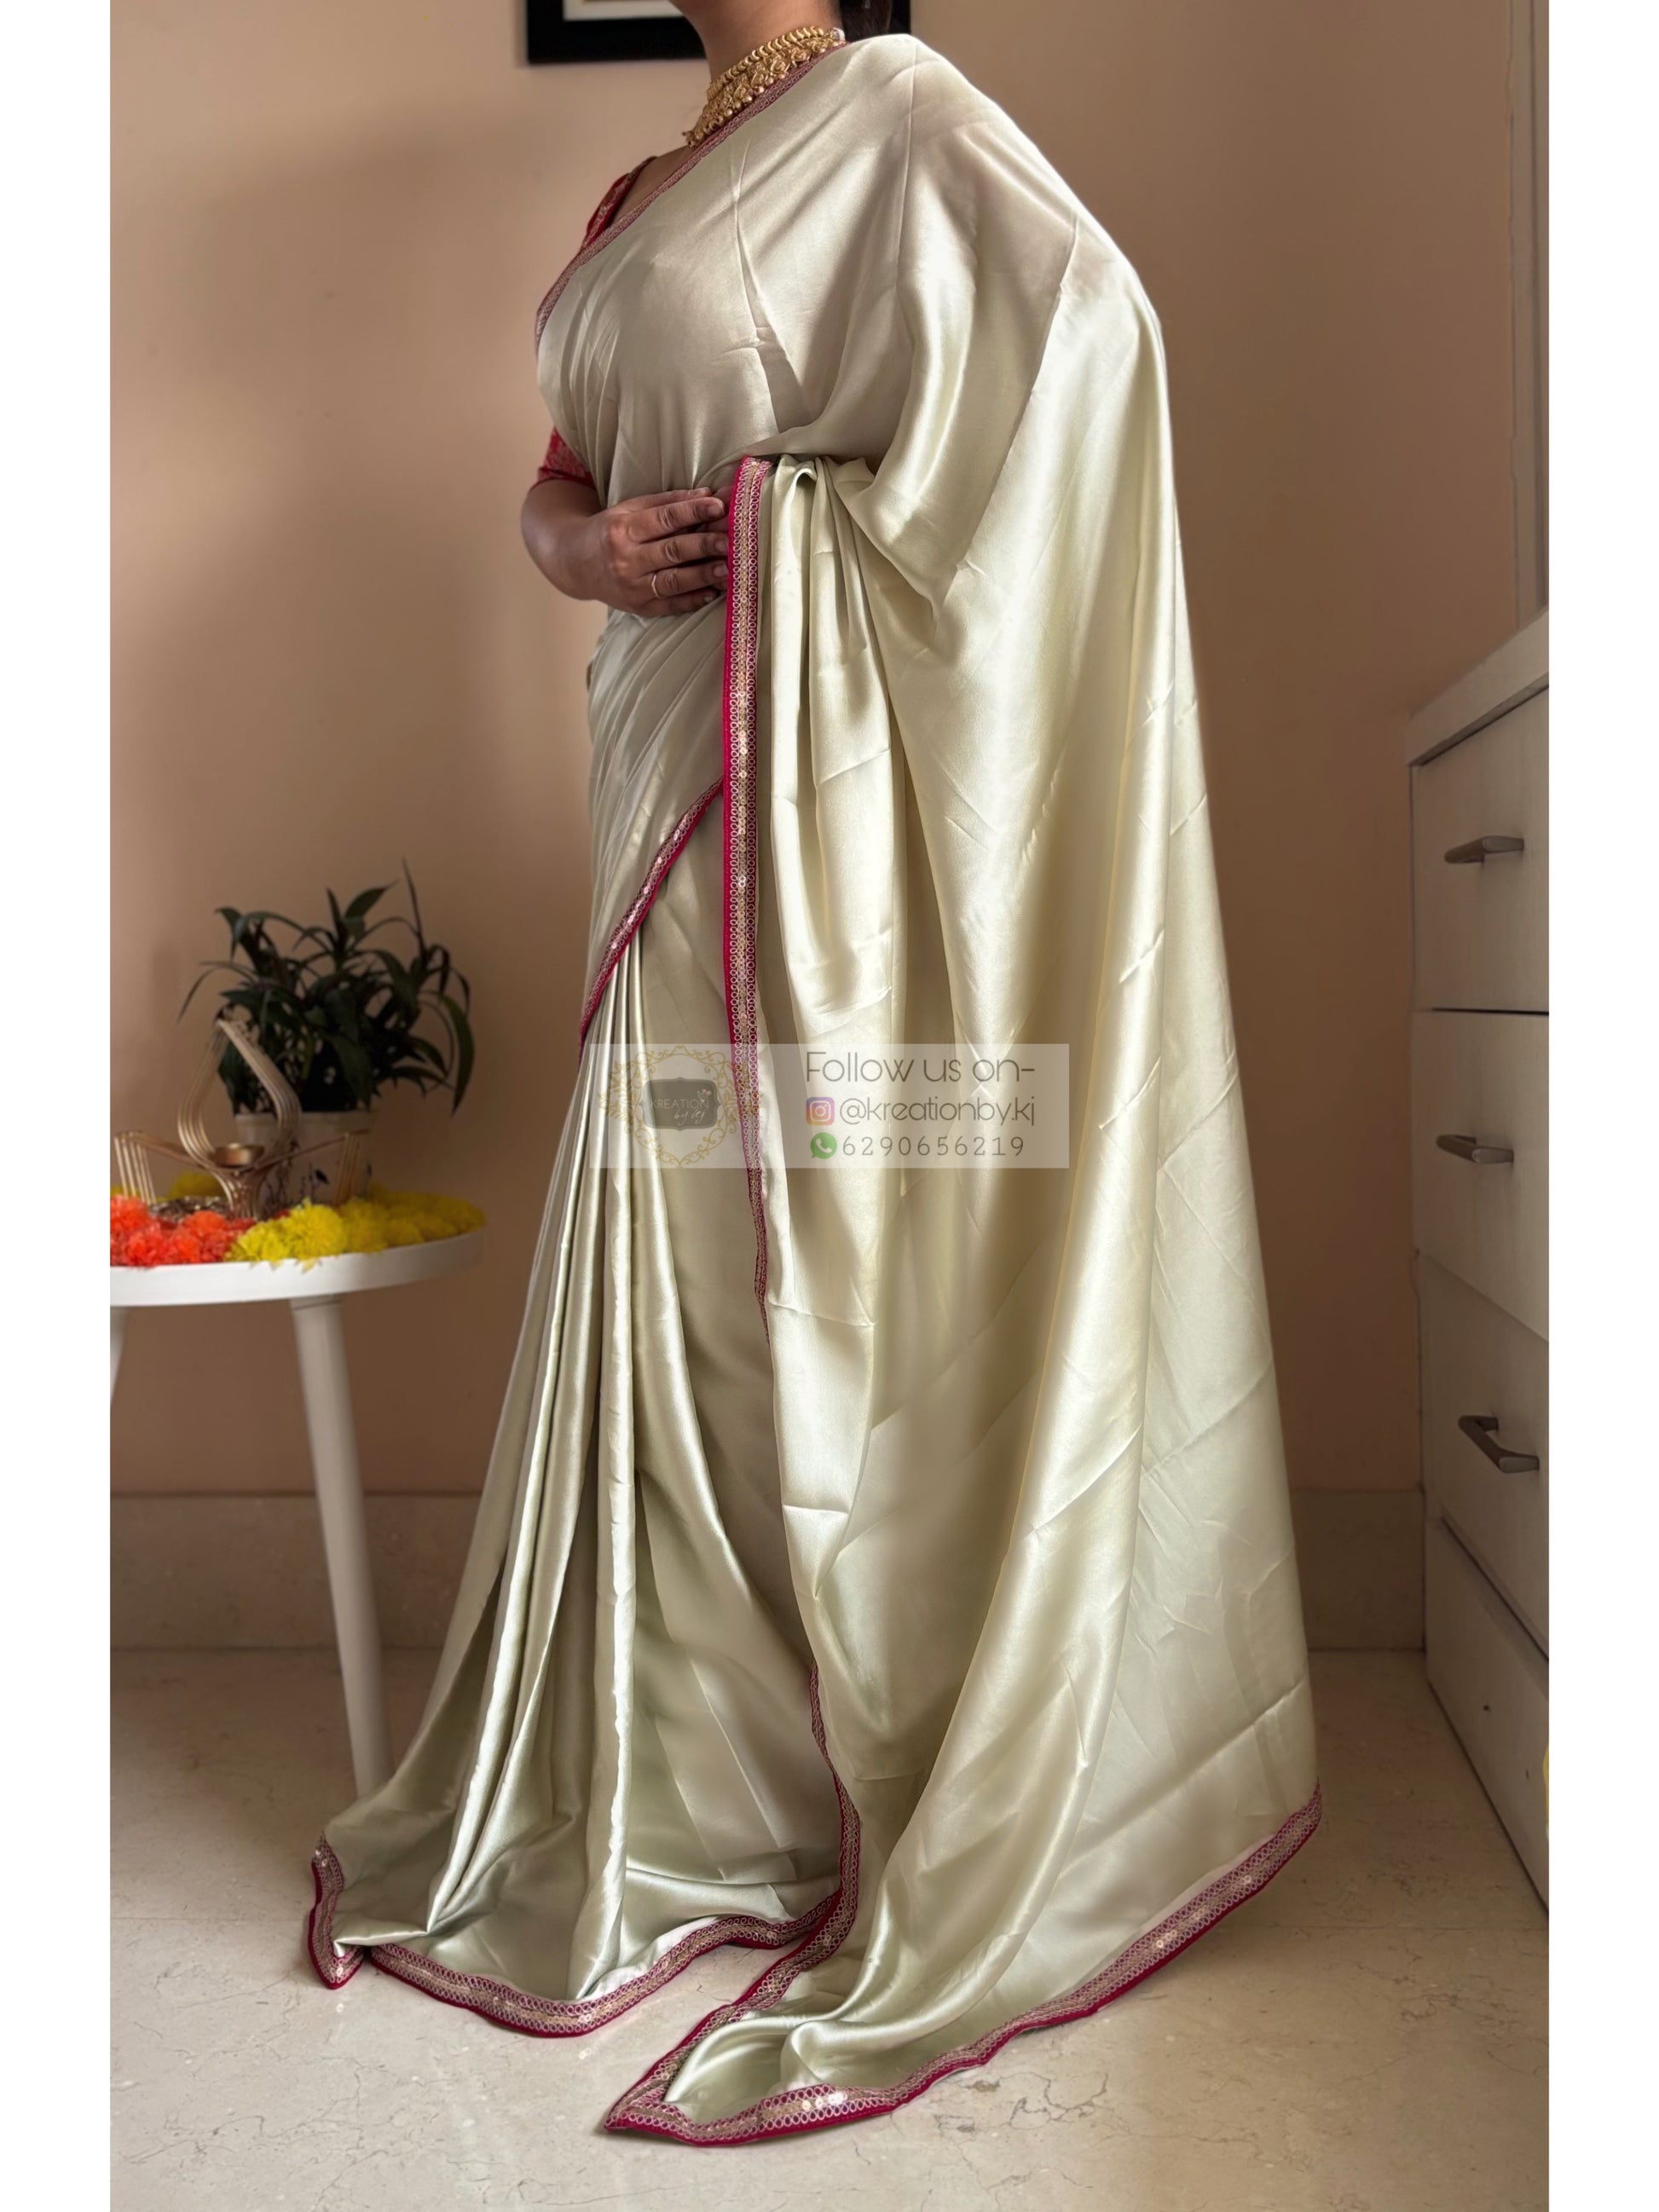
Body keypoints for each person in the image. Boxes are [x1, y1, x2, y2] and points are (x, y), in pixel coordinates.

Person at [307, 1, 1321, 2145]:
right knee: (672, 1262)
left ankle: (813, 1773)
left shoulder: (899, 113)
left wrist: (783, 534)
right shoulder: (638, 192)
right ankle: (704, 1774)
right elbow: (563, 483)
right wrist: (575, 551)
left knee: (747, 1251)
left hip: (780, 775)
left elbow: (1090, 352)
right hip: (657, 749)